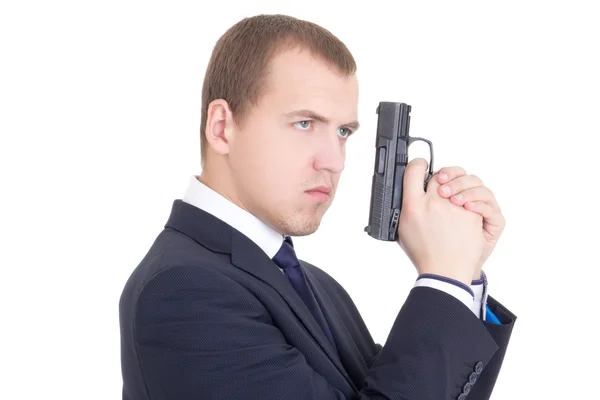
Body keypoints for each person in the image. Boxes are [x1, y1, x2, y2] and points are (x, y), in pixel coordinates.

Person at [119, 14, 516, 400]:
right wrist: (442, 281)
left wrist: (463, 275)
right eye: (305, 124)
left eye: (343, 132)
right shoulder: (183, 292)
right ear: (222, 127)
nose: (335, 161)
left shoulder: (318, 286)